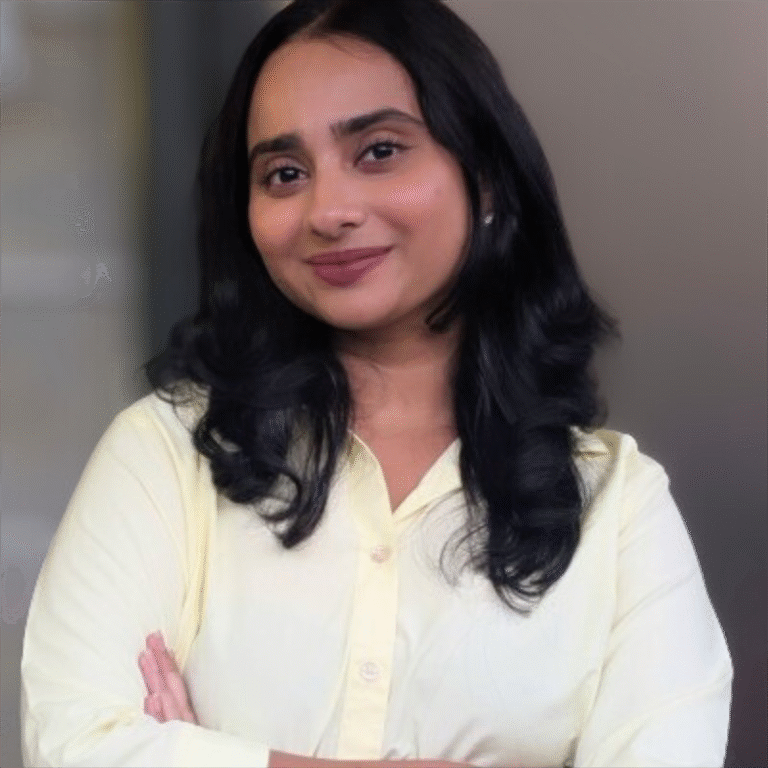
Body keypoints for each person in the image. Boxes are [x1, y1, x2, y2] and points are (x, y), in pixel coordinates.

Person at [20, 1, 733, 766]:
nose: (328, 211)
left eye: (379, 151)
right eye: (284, 174)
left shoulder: (617, 509)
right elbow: (73, 747)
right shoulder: (167, 456)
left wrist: (200, 753)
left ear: (486, 177)